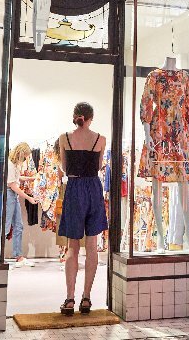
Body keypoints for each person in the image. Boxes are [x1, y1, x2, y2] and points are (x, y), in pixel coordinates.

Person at [57, 102, 108, 316]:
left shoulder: (64, 138)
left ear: (75, 116)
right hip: (93, 188)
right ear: (91, 118)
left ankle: (70, 299)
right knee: (92, 245)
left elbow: (64, 167)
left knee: (72, 247)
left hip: (75, 187)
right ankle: (86, 298)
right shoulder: (100, 139)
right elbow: (97, 167)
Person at [6, 143, 38, 267]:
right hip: (9, 194)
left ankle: (18, 256)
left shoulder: (14, 165)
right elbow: (12, 185)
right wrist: (29, 198)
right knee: (6, 225)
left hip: (13, 195)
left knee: (18, 226)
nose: (25, 158)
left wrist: (30, 179)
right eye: (25, 156)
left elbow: (17, 178)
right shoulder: (10, 164)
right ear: (21, 153)